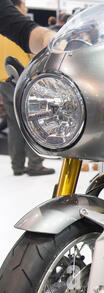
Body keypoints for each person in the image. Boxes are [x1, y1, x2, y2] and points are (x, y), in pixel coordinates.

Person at [0, 0, 55, 176]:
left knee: (13, 124)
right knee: (33, 123)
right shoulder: (19, 28)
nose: (26, 8)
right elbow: (34, 55)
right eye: (24, 4)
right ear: (17, 6)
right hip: (23, 81)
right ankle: (35, 165)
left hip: (3, 81)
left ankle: (17, 165)